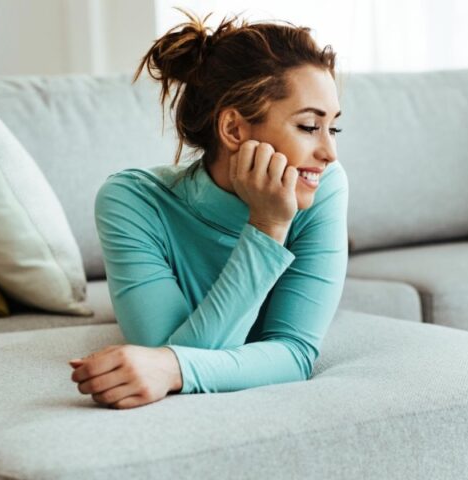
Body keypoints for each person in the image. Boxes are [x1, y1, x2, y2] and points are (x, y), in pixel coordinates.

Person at [68, 11, 347, 409]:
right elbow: (166, 353)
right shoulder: (131, 202)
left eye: (333, 127)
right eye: (308, 127)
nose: (329, 154)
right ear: (234, 129)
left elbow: (294, 354)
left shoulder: (325, 187)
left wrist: (172, 368)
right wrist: (267, 227)